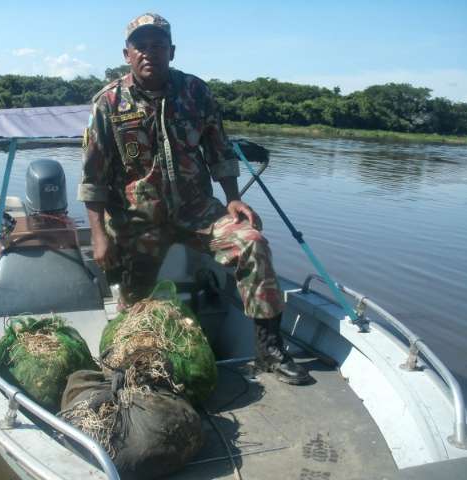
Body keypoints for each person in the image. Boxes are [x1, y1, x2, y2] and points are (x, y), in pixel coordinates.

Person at [77, 13, 311, 385]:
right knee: (134, 306)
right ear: (127, 54)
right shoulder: (108, 103)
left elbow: (219, 152)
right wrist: (98, 234)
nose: (149, 53)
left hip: (196, 210)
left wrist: (233, 198)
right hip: (137, 220)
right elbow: (93, 178)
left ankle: (269, 350)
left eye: (157, 45)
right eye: (141, 46)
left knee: (252, 242)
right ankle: (128, 361)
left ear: (171, 51)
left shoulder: (196, 93)